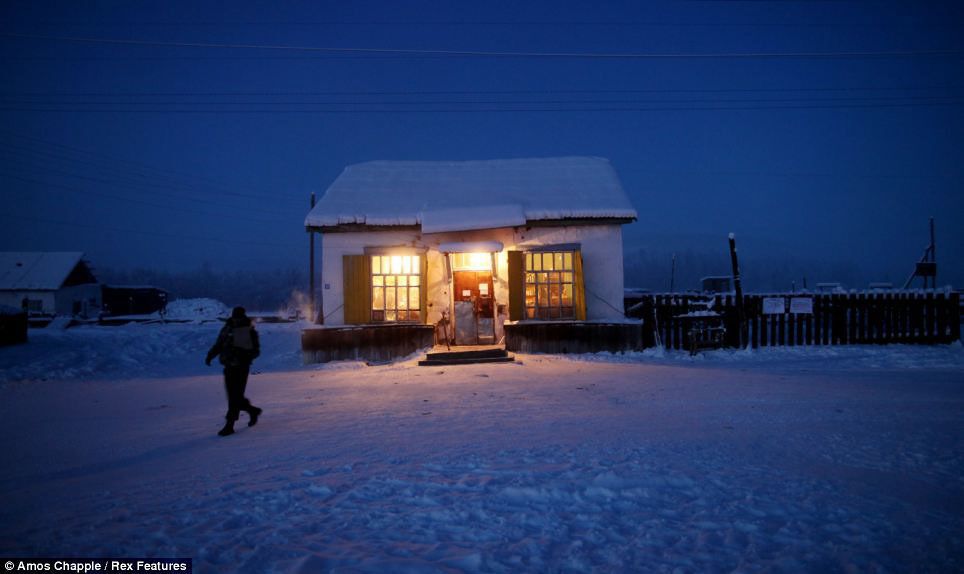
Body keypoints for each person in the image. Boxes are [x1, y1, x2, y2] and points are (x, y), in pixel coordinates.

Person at [206, 306, 263, 436]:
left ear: (243, 317)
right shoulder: (227, 328)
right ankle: (252, 410)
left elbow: (256, 351)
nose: (236, 320)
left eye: (239, 318)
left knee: (234, 397)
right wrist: (210, 355)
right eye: (235, 317)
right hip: (228, 366)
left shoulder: (248, 331)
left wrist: (245, 355)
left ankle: (229, 424)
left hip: (241, 368)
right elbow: (219, 344)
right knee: (234, 396)